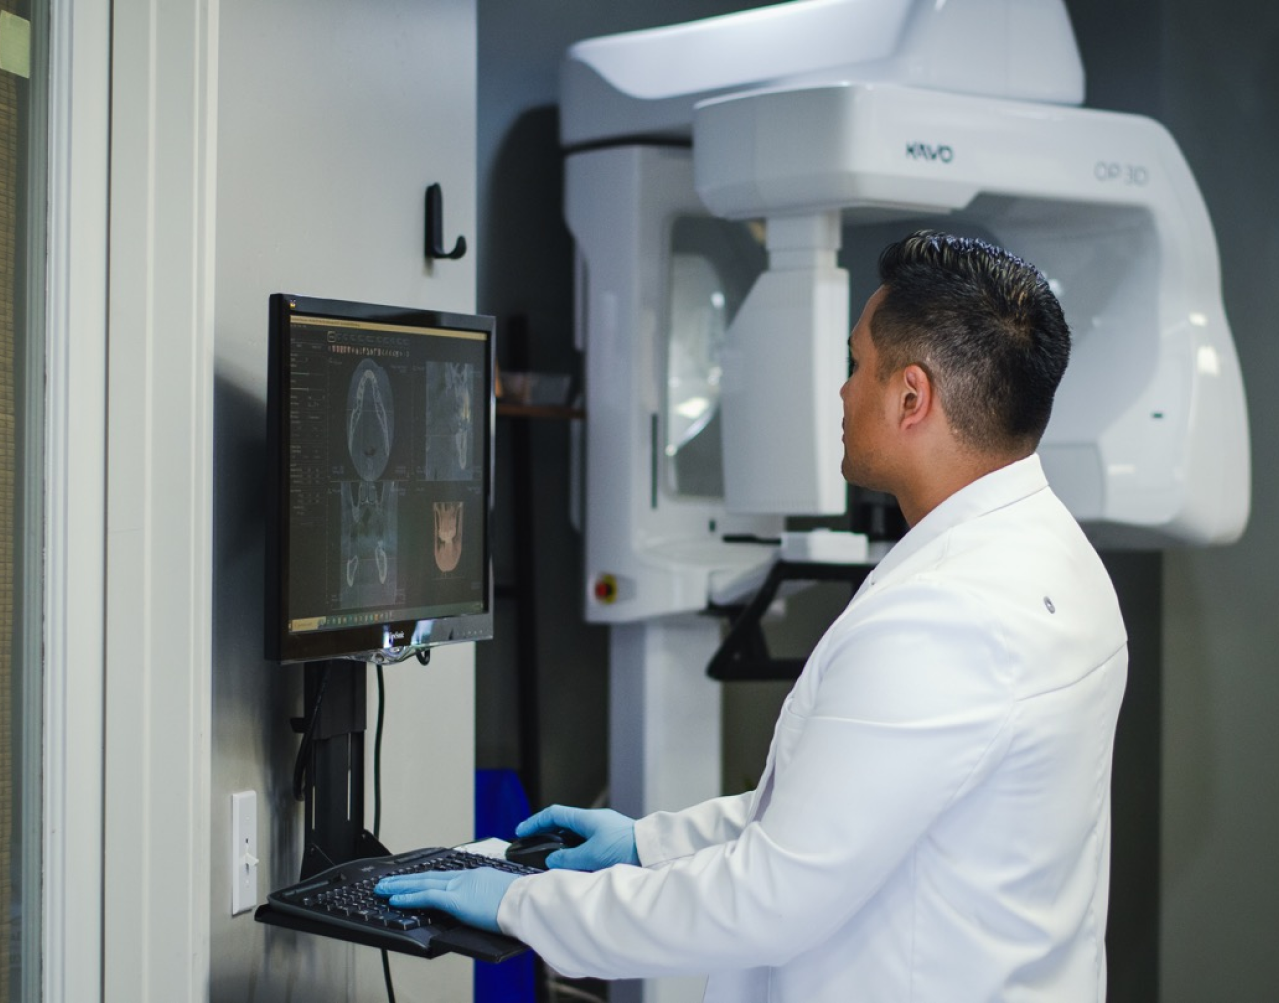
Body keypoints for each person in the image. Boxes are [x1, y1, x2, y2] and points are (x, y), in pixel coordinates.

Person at [377, 231, 1128, 1001]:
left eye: (853, 364)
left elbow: (769, 896)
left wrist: (518, 905)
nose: (840, 392)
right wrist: (646, 841)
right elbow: (846, 804)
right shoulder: (1059, 558)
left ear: (911, 397)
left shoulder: (945, 615)